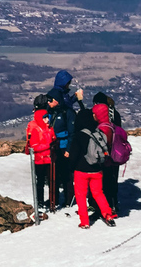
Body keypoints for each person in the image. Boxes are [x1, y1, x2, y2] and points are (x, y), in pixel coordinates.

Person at [68, 108, 116, 228]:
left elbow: (73, 156)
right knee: (98, 193)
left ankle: (84, 221)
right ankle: (108, 214)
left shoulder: (79, 135)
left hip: (81, 171)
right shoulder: (98, 133)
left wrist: (70, 167)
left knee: (81, 195)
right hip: (97, 169)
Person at [47, 70, 84, 208]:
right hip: (58, 145)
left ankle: (60, 199)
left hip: (57, 145)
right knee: (63, 174)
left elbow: (65, 103)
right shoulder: (59, 99)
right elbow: (66, 104)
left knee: (59, 174)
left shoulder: (56, 97)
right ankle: (65, 199)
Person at [93, 91, 123, 215]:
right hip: (116, 152)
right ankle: (114, 203)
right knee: (113, 179)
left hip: (104, 153)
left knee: (103, 179)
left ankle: (104, 206)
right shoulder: (115, 114)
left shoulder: (99, 115)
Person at [25, 108, 56, 209]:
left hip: (49, 159)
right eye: (45, 117)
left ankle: (52, 201)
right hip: (40, 160)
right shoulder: (36, 130)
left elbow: (53, 139)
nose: (47, 119)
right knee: (40, 182)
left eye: (47, 117)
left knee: (52, 181)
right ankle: (40, 201)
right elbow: (34, 147)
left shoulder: (50, 129)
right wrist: (48, 145)